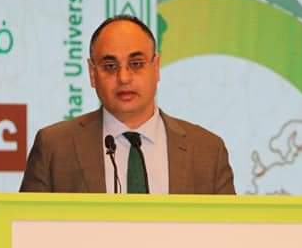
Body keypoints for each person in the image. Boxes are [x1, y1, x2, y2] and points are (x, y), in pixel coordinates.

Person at [20, 15, 235, 194]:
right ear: (92, 74)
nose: (123, 77)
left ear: (156, 67)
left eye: (136, 63)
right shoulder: (55, 148)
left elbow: (229, 230)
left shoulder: (207, 151)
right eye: (110, 66)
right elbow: (25, 228)